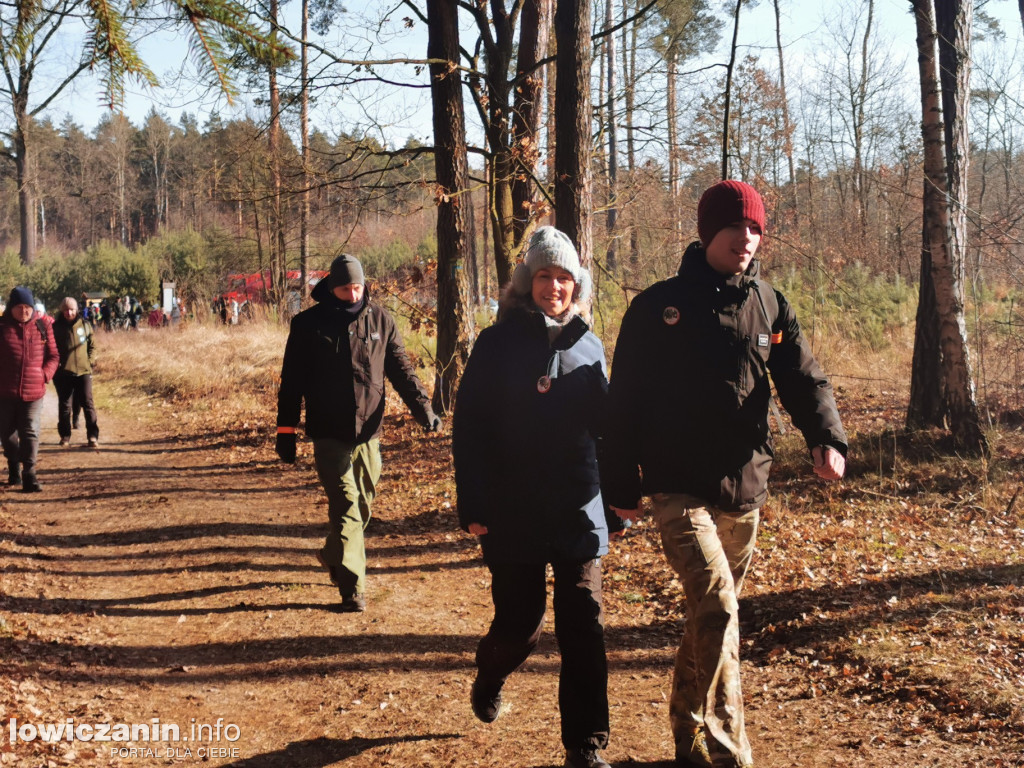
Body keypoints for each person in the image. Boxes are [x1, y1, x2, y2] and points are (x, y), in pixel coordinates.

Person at [601, 180, 848, 768]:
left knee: (708, 616)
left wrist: (826, 438)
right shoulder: (658, 307)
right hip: (676, 484)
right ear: (708, 232)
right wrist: (620, 484)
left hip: (745, 486)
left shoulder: (769, 304)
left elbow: (803, 378)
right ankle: (729, 749)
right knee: (717, 606)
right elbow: (624, 400)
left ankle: (684, 728)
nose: (747, 238)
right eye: (736, 227)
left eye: (756, 228)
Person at [453, 227, 622, 768]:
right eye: (544, 276)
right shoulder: (495, 343)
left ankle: (585, 745)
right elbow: (470, 428)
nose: (554, 286)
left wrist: (618, 499)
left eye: (564, 278)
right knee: (520, 626)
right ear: (528, 282)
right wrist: (474, 503)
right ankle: (492, 674)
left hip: (580, 507)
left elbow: (611, 432)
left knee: (584, 626)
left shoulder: (591, 344)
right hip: (513, 508)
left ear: (578, 286)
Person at [276, 253, 442, 612]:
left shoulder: (382, 320)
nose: (352, 295)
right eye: (344, 288)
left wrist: (423, 408)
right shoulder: (308, 325)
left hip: (369, 432)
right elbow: (291, 382)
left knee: (362, 506)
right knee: (347, 505)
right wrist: (285, 429)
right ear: (330, 288)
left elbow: (402, 369)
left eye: (357, 287)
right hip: (328, 432)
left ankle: (332, 552)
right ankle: (352, 588)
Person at [0, 287, 59, 492]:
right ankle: (14, 465)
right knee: (7, 435)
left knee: (30, 431)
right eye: (19, 307)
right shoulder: (2, 326)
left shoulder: (43, 326)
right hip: (4, 392)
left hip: (34, 391)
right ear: (11, 307)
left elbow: (54, 356)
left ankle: (29, 474)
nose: (24, 311)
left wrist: (44, 375)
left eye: (27, 307)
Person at [52, 297, 101, 449]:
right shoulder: (56, 327)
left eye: (72, 309)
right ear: (62, 310)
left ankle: (92, 436)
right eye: (66, 309)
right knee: (65, 406)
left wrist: (90, 361)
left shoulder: (85, 325)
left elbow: (92, 346)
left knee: (87, 403)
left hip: (83, 372)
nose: (69, 312)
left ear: (76, 310)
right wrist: (56, 366)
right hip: (63, 373)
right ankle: (65, 436)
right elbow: (51, 349)